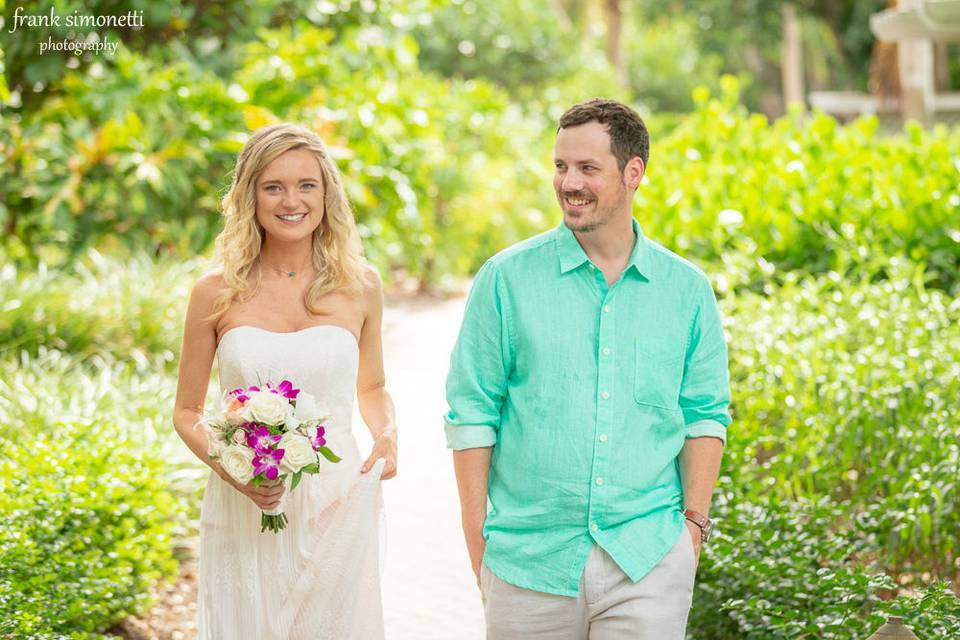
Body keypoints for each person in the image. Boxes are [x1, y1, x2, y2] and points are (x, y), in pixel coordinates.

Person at [444, 98, 731, 639]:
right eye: (560, 166)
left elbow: (705, 413)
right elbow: (472, 413)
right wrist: (477, 539)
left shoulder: (686, 291)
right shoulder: (505, 280)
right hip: (528, 561)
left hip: (646, 558)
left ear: (633, 172)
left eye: (586, 168)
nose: (568, 182)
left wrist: (692, 527)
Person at [172, 123, 398, 640]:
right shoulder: (214, 292)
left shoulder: (360, 284)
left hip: (337, 502)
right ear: (249, 195)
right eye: (273, 186)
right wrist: (235, 473)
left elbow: (371, 386)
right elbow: (187, 412)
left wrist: (388, 432)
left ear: (327, 194)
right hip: (245, 502)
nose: (291, 200)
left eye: (307, 185)